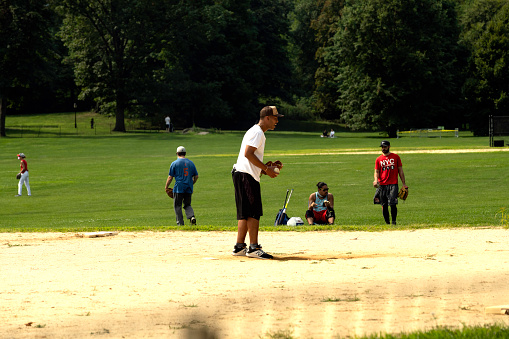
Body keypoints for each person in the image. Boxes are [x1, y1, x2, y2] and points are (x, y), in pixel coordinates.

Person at [231, 106, 283, 259]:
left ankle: (240, 246)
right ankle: (253, 247)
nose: (277, 121)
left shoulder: (256, 131)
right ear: (267, 118)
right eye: (275, 118)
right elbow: (248, 153)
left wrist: (266, 167)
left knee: (245, 213)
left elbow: (250, 158)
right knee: (253, 211)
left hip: (242, 173)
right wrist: (267, 169)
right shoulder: (257, 132)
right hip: (245, 175)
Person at [373, 140, 408, 225]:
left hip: (393, 184)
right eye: (382, 147)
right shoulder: (378, 159)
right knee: (384, 204)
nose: (383, 148)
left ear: (389, 146)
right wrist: (375, 180)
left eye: (385, 147)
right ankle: (387, 223)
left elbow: (400, 171)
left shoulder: (395, 157)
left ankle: (393, 222)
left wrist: (404, 183)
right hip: (382, 185)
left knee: (392, 203)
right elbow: (376, 171)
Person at [165, 146, 198, 225]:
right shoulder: (191, 163)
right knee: (187, 204)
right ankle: (191, 216)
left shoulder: (174, 163)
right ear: (185, 153)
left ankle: (180, 223)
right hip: (188, 187)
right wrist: (191, 183)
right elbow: (196, 176)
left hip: (179, 188)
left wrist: (166, 187)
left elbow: (170, 177)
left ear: (177, 153)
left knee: (177, 205)